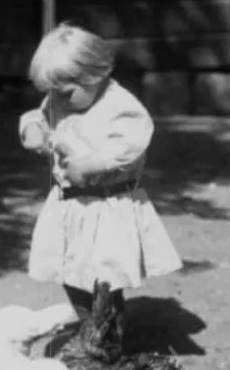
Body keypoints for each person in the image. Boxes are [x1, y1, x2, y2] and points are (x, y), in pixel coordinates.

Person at [19, 23, 182, 335]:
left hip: (108, 206)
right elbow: (39, 115)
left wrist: (91, 163)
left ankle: (109, 344)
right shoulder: (60, 99)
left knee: (104, 279)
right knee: (71, 272)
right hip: (70, 205)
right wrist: (33, 128)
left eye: (65, 93)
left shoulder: (122, 109)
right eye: (51, 93)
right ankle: (89, 329)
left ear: (94, 75)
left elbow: (128, 147)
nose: (58, 101)